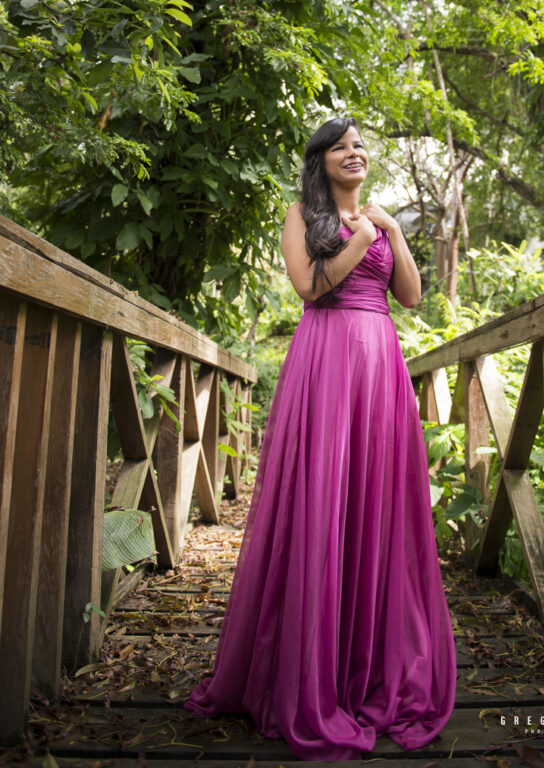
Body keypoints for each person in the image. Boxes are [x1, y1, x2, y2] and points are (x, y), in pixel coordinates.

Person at [184, 117, 457, 760]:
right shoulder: (300, 217)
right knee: (324, 500)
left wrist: (388, 230)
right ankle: (311, 668)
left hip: (380, 366)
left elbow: (411, 298)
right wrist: (361, 237)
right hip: (327, 360)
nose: (355, 153)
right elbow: (309, 289)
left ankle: (372, 660)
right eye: (342, 146)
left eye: (361, 145)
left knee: (374, 501)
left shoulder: (381, 220)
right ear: (321, 160)